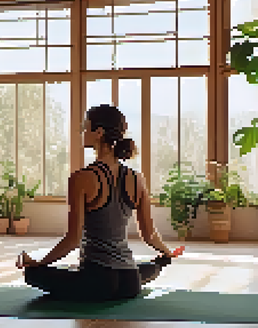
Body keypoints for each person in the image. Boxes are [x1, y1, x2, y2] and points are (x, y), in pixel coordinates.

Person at [15, 104, 183, 301]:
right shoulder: (137, 178)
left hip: (97, 282)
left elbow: (72, 240)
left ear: (99, 133)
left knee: (32, 274)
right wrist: (167, 252)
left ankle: (50, 271)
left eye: (86, 127)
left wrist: (39, 263)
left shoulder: (81, 179)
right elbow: (149, 235)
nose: (82, 132)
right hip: (130, 283)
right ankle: (161, 263)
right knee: (143, 268)